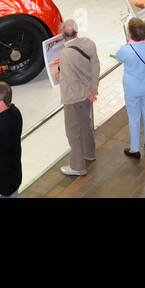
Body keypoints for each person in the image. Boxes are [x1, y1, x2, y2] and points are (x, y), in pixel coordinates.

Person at [115, 17, 145, 158]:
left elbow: (118, 57)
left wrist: (127, 43)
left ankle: (134, 149)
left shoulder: (126, 50)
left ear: (130, 34)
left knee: (134, 117)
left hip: (132, 89)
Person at [58, 19, 100, 176]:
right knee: (85, 124)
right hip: (88, 93)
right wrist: (93, 89)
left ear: (63, 34)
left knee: (73, 132)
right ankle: (89, 153)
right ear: (77, 31)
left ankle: (77, 166)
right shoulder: (88, 43)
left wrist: (58, 74)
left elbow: (69, 78)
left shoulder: (65, 54)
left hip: (74, 98)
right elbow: (95, 65)